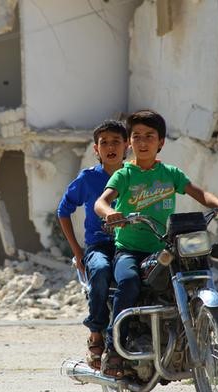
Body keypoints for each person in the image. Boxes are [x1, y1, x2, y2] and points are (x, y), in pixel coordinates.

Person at [94, 109, 218, 377]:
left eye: (150, 136)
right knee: (129, 282)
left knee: (193, 275)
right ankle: (113, 349)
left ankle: (196, 335)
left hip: (163, 247)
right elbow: (101, 201)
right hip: (129, 250)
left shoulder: (171, 173)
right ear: (129, 143)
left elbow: (199, 193)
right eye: (137, 136)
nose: (143, 142)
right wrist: (110, 213)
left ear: (161, 142)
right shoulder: (124, 175)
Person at [57, 120, 129, 369]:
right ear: (96, 149)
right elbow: (63, 211)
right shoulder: (88, 179)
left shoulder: (135, 175)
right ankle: (97, 332)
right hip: (99, 245)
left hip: (129, 244)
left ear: (126, 145)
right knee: (99, 271)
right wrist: (77, 251)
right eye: (104, 143)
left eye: (116, 142)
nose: (110, 147)